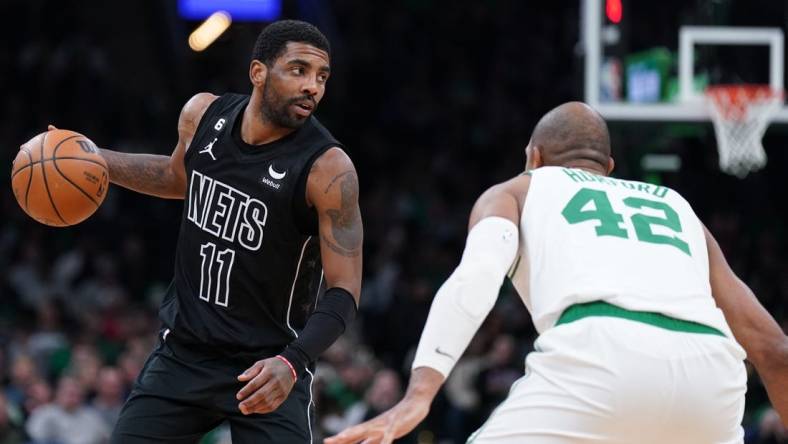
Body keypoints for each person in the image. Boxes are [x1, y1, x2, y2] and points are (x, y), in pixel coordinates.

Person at [326, 102, 788, 443]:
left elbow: (475, 279)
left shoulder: (518, 190)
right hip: (711, 382)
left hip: (599, 359)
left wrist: (418, 396)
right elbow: (773, 348)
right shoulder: (676, 207)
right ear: (608, 169)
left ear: (534, 157)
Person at [41, 19, 362, 443]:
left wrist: (293, 362)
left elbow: (344, 291)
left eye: (321, 77)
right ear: (258, 72)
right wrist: (94, 159)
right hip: (184, 354)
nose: (313, 87)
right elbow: (177, 177)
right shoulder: (201, 114)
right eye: (298, 70)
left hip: (266, 366)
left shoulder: (328, 168)